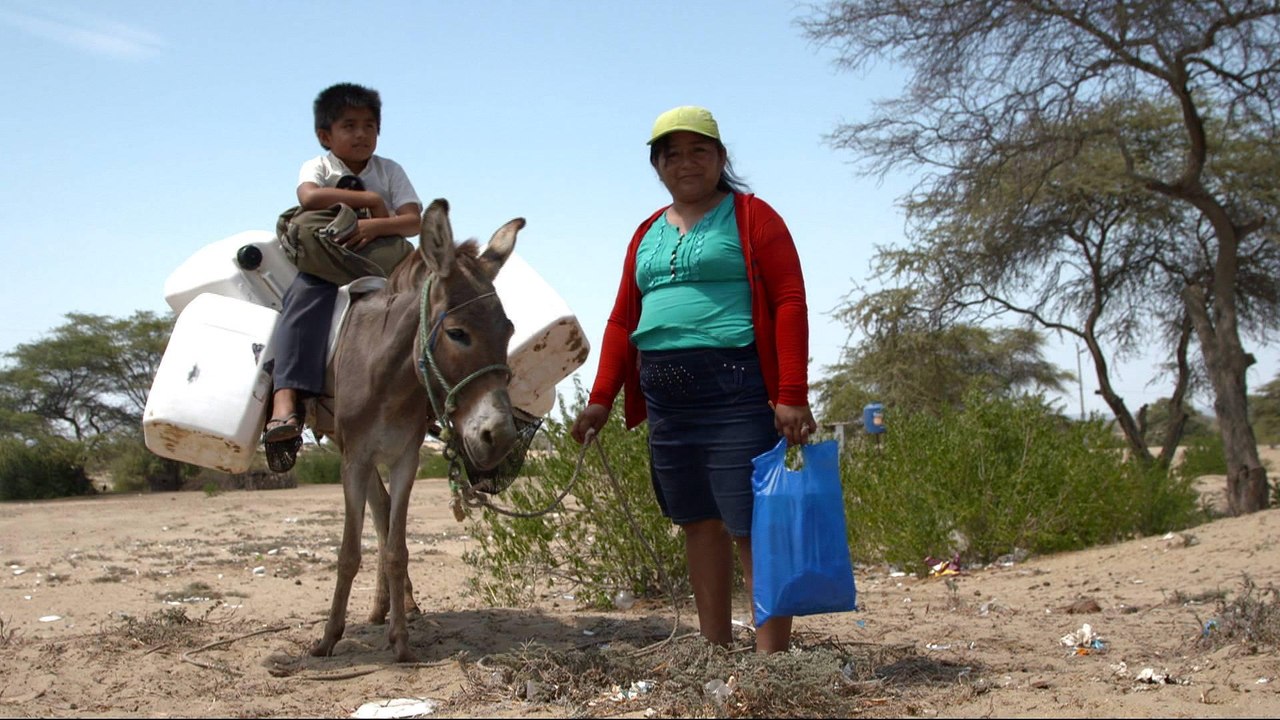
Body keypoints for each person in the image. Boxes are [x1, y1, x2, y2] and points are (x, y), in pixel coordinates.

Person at [570, 105, 818, 653]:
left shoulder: (754, 217)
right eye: (672, 154)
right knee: (698, 522)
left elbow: (789, 300)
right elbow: (621, 320)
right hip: (666, 397)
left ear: (721, 158)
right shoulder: (646, 233)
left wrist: (791, 394)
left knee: (754, 524)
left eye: (699, 151)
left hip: (737, 388)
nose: (686, 163)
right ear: (657, 166)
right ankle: (715, 652)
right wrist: (600, 400)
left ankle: (772, 665)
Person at [262, 82, 422, 461]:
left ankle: (433, 396)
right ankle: (285, 401)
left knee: (427, 308)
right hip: (328, 264)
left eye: (369, 126)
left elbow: (413, 221)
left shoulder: (390, 170)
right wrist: (370, 200)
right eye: (349, 126)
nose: (361, 134)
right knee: (300, 304)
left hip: (377, 262)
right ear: (325, 135)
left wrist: (372, 226)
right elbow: (309, 198)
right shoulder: (319, 166)